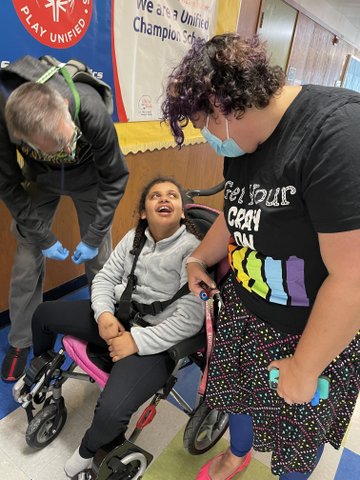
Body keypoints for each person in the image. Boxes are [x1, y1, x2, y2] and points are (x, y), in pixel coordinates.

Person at [161, 33, 360, 480]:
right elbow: (237, 210)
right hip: (246, 312)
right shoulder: (245, 141)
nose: (208, 138)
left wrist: (305, 366)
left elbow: (354, 278)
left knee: (298, 434)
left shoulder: (337, 134)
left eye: (203, 125)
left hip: (311, 333)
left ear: (223, 104)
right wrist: (198, 258)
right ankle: (239, 453)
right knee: (237, 399)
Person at [26, 176, 204, 478]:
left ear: (183, 211)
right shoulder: (135, 237)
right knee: (43, 313)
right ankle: (44, 365)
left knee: (110, 411)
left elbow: (189, 320)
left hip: (155, 341)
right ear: (144, 212)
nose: (164, 199)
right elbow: (106, 279)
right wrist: (104, 315)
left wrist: (137, 342)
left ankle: (85, 453)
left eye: (172, 195)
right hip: (117, 319)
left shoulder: (193, 252)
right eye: (155, 195)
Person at [0, 61, 129, 381]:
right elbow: (7, 184)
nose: (69, 149)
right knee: (27, 257)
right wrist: (43, 237)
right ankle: (19, 341)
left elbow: (115, 178)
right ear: (25, 141)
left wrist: (94, 234)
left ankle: (105, 331)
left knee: (100, 259)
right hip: (40, 179)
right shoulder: (3, 117)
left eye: (70, 138)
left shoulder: (90, 108)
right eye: (61, 148)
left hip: (90, 180)